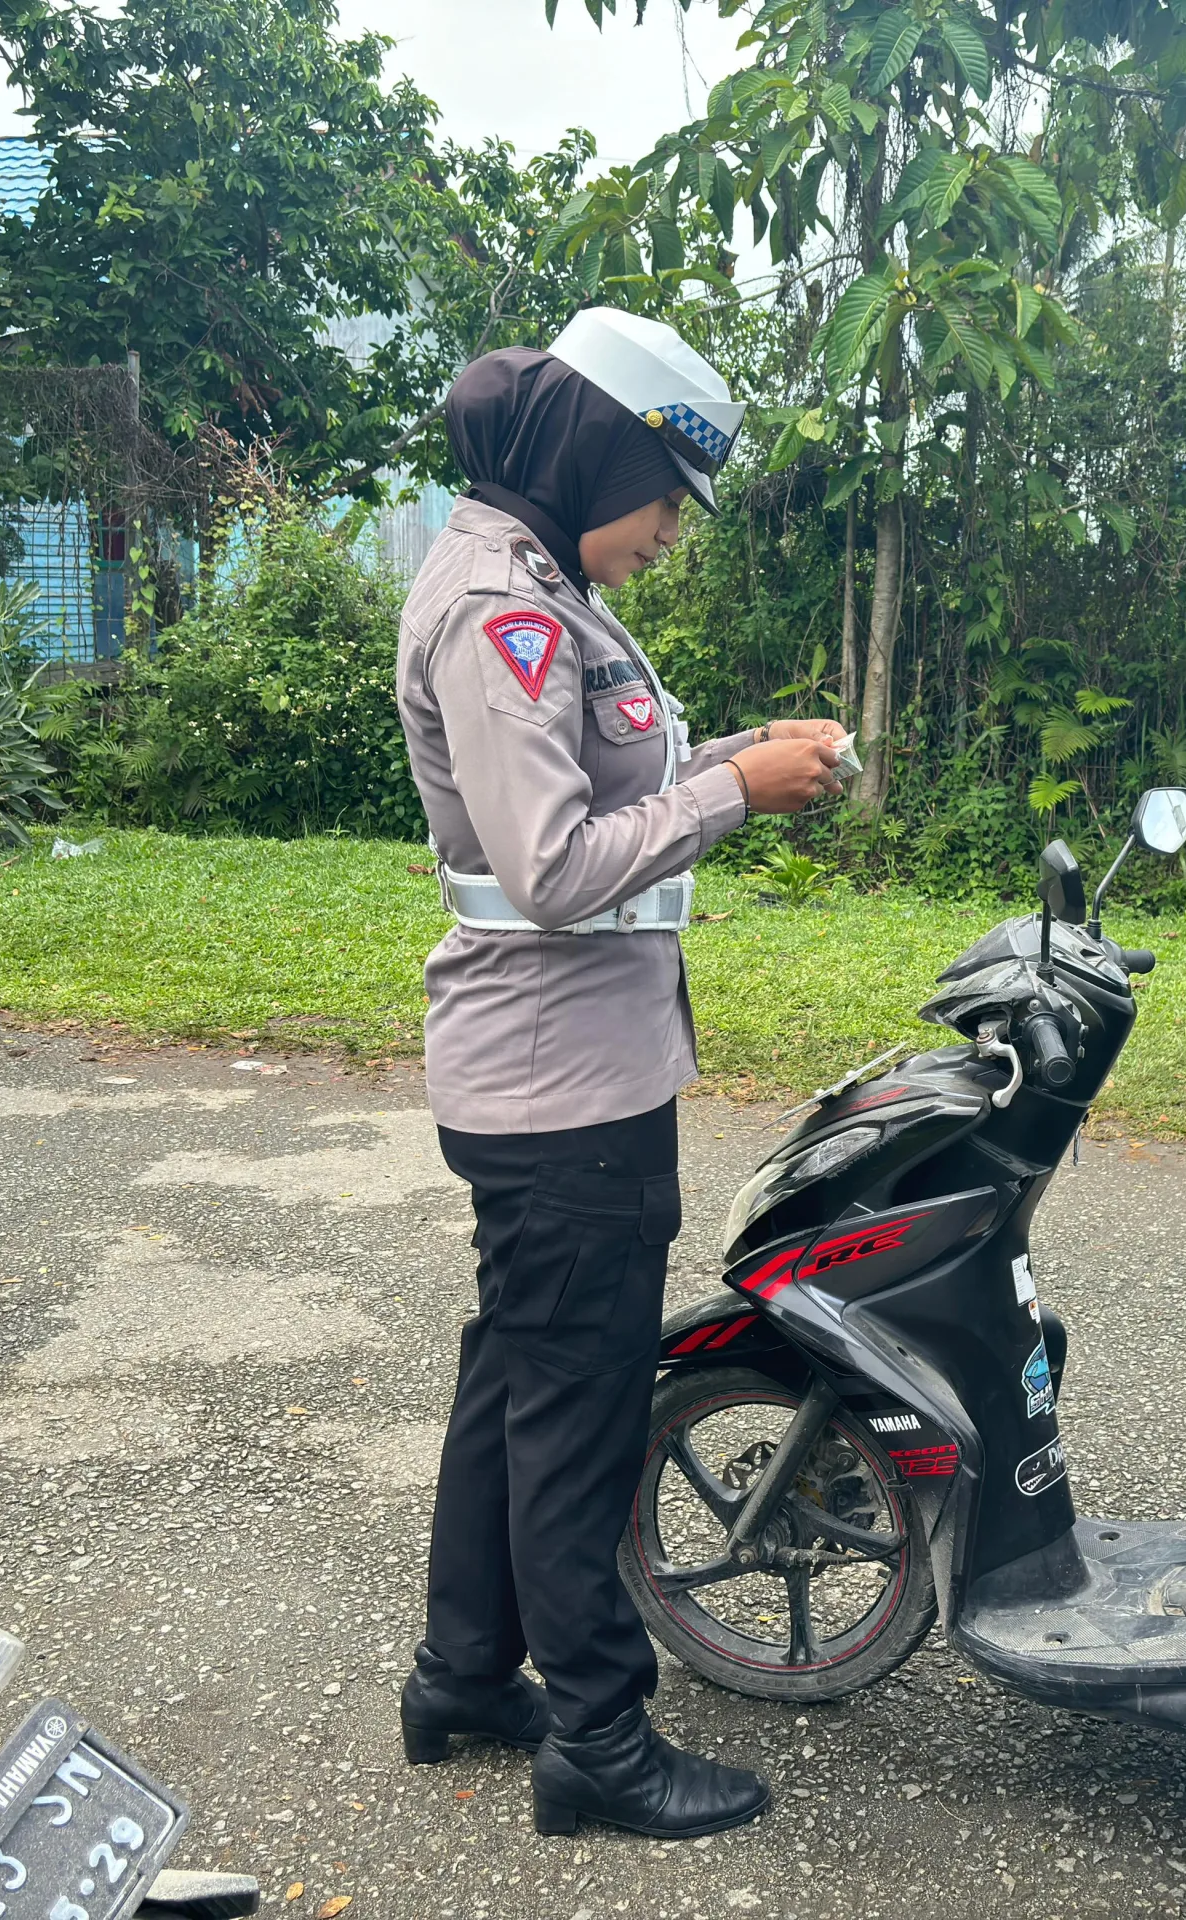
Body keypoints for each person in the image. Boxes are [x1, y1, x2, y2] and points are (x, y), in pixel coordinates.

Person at [393, 307, 848, 1843]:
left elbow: (602, 776)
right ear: (598, 447)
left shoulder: (535, 584)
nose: (669, 532)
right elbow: (549, 864)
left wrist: (738, 754)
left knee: (513, 1379)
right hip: (561, 1089)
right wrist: (732, 792)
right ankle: (596, 1737)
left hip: (558, 1074)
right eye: (665, 496)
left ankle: (464, 1673)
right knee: (574, 1406)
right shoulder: (502, 612)